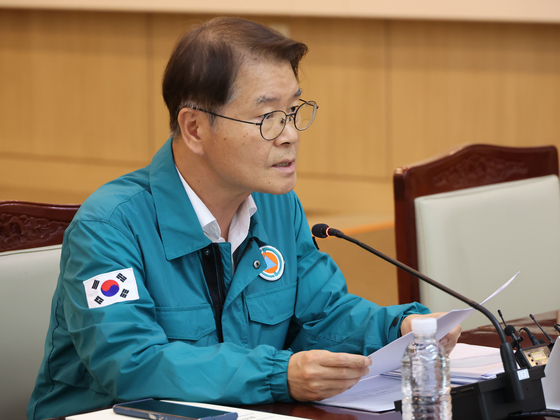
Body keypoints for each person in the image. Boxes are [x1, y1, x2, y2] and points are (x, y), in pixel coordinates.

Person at [27, 17, 460, 420]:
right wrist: (279, 375)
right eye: (267, 116)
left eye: (293, 111)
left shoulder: (276, 205)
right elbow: (130, 364)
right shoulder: (109, 226)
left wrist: (399, 329)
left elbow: (321, 314)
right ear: (195, 128)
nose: (289, 134)